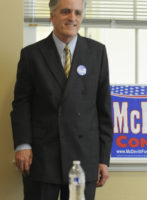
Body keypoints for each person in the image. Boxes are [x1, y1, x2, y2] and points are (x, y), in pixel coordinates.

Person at [10, 0, 113, 199]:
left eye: (77, 13)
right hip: (42, 157)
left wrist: (103, 159)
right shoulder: (32, 55)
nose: (72, 18)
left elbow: (104, 109)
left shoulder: (97, 53)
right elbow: (21, 104)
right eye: (66, 12)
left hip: (84, 157)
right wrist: (23, 145)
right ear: (52, 15)